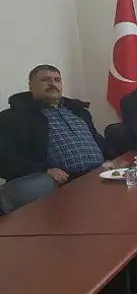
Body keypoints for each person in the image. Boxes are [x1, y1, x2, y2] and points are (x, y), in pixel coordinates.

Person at [0, 65, 112, 214]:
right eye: (45, 80)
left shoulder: (79, 112)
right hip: (56, 185)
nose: (53, 84)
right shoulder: (12, 118)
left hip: (98, 178)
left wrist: (115, 159)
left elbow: (98, 141)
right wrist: (44, 169)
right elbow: (5, 161)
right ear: (31, 86)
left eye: (57, 80)